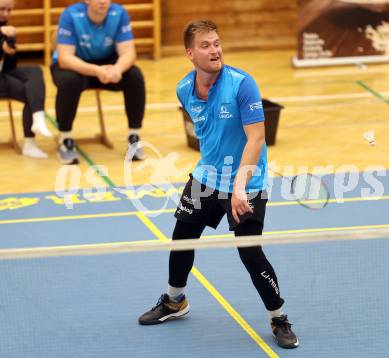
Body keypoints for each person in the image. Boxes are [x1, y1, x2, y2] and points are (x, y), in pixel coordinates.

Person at [138, 20, 299, 349]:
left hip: (247, 180)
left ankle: (278, 317)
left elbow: (256, 139)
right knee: (181, 238)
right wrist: (214, 177)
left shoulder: (242, 84)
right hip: (207, 177)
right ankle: (174, 301)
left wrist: (238, 186)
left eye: (217, 43)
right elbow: (209, 137)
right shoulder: (184, 89)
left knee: (249, 252)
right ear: (190, 53)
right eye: (206, 45)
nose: (215, 50)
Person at [51, 0, 146, 165]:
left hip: (106, 65)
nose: (102, 1)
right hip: (76, 65)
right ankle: (65, 139)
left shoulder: (119, 13)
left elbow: (129, 52)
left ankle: (134, 136)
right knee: (69, 82)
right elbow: (65, 59)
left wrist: (117, 69)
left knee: (134, 76)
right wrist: (96, 71)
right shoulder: (70, 14)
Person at [0, 0, 52, 159]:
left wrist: (9, 45)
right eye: (2, 9)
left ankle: (38, 117)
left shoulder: (6, 27)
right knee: (32, 93)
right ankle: (31, 138)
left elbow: (11, 58)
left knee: (35, 71)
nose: (6, 14)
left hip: (5, 72)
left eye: (9, 10)